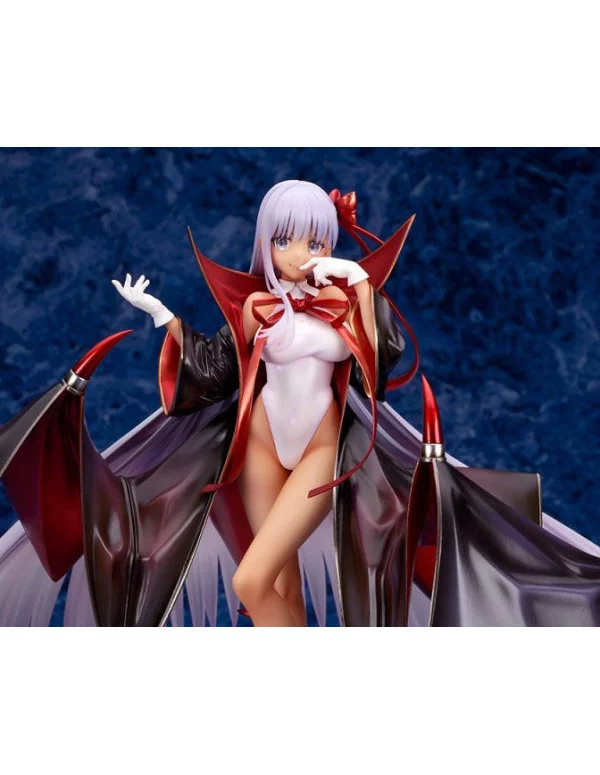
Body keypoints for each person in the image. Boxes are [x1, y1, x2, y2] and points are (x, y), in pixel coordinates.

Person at [1, 180, 600, 627]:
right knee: (277, 585)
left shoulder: (345, 301)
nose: (298, 251)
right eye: (284, 238)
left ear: (331, 242)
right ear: (266, 242)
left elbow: (381, 359)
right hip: (261, 444)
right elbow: (214, 371)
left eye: (315, 238)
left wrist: (357, 281)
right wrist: (164, 318)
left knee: (251, 580)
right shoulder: (255, 307)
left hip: (321, 447)